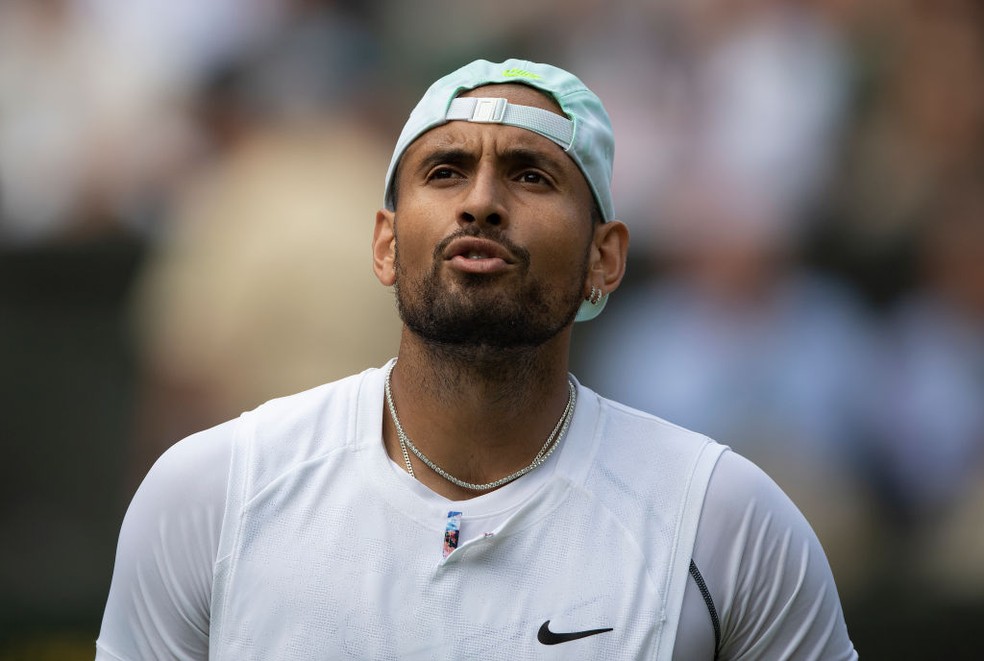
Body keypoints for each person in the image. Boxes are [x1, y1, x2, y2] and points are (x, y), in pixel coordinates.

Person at [96, 58, 857, 660]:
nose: (482, 202)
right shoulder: (212, 494)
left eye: (532, 174)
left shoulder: (726, 522)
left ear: (605, 257)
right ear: (386, 243)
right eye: (445, 171)